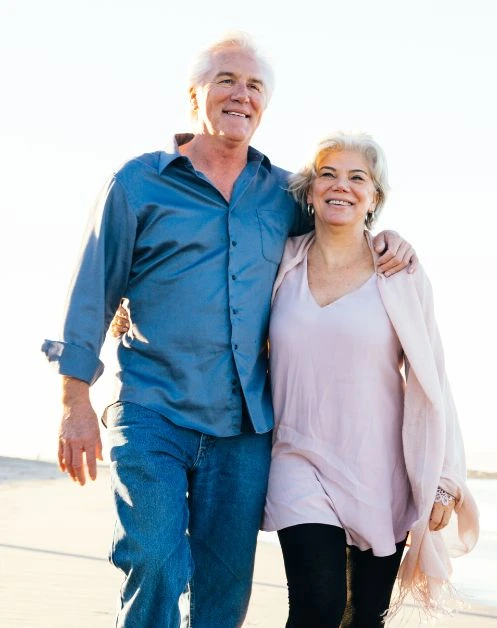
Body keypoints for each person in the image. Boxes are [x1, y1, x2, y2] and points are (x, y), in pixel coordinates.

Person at [42, 34, 416, 627]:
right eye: (225, 80)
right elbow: (94, 289)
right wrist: (74, 401)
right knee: (157, 560)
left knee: (225, 594)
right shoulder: (139, 183)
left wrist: (388, 240)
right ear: (194, 95)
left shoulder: (283, 193)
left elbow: (340, 225)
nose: (240, 95)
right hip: (152, 409)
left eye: (254, 86)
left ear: (265, 105)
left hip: (245, 427)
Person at [261, 132, 478, 626]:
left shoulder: (398, 273)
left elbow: (433, 378)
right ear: (310, 191)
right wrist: (133, 309)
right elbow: (218, 302)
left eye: (357, 177)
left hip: (380, 468)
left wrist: (447, 479)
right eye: (328, 174)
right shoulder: (280, 262)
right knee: (318, 608)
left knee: (364, 619)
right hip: (297, 457)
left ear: (375, 196)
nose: (342, 186)